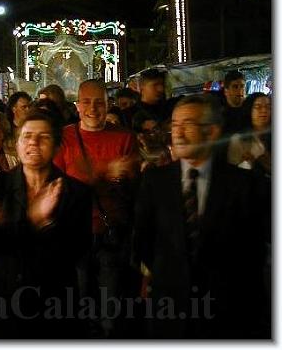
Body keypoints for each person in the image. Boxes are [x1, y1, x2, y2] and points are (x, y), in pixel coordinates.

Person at [133, 94, 267, 338]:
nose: (178, 133)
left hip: (226, 311)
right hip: (170, 308)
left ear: (212, 131)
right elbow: (143, 239)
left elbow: (253, 251)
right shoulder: (155, 180)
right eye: (175, 125)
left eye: (188, 125)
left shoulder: (244, 184)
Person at [0, 110, 92, 338]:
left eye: (43, 137)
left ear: (57, 147)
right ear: (17, 143)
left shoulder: (75, 192)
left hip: (54, 309)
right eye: (27, 136)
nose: (33, 142)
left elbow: (76, 251)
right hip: (1, 307)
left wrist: (25, 226)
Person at [53, 79, 140, 337]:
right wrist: (105, 173)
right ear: (77, 106)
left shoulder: (124, 138)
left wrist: (121, 178)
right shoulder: (64, 138)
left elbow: (133, 186)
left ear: (108, 104)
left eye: (99, 103)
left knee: (110, 309)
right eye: (87, 102)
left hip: (111, 233)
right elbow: (57, 184)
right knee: (79, 303)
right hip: (75, 233)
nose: (93, 109)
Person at [227, 92, 271, 173]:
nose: (264, 110)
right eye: (258, 107)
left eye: (268, 107)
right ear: (249, 110)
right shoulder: (239, 139)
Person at [221, 70, 246, 135]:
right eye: (235, 87)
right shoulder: (220, 115)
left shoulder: (250, 110)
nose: (240, 90)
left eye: (242, 86)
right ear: (226, 91)